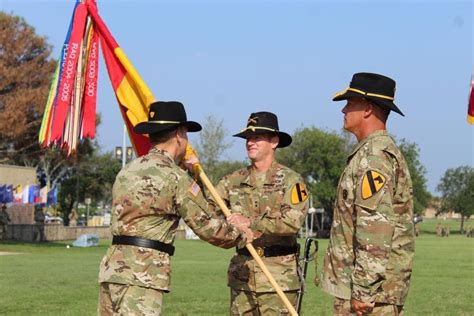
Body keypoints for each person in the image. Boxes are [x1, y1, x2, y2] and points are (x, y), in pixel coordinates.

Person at [97, 101, 253, 315]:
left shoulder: (128, 170)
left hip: (112, 271)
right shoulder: (176, 177)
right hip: (144, 274)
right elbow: (208, 227)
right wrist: (241, 235)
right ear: (180, 134)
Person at [321, 73, 415, 315]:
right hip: (368, 290)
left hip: (371, 297)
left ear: (367, 110)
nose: (343, 110)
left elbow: (375, 227)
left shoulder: (373, 158)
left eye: (350, 103)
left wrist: (364, 290)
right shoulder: (370, 153)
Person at [213, 111, 309, 315]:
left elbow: (293, 221)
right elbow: (206, 209)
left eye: (257, 137)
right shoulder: (232, 181)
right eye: (248, 138)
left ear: (274, 141)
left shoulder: (291, 180)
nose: (250, 142)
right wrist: (191, 171)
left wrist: (250, 222)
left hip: (279, 279)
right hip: (243, 276)